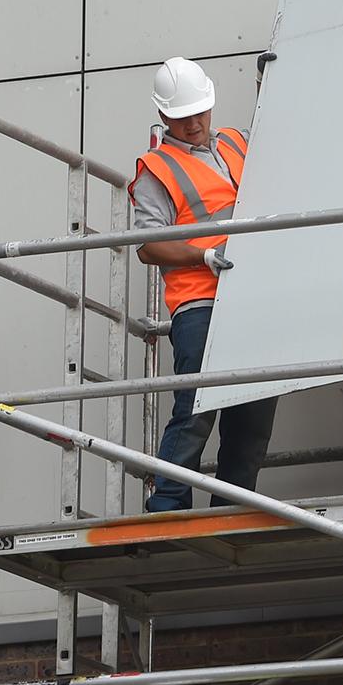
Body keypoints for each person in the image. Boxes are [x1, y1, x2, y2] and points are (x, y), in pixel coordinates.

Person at [131, 56, 278, 513]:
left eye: (200, 111)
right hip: (200, 302)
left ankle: (233, 508)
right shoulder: (157, 167)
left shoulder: (236, 142)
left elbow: (278, 149)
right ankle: (168, 506)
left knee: (253, 414)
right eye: (182, 116)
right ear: (163, 116)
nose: (194, 123)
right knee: (196, 410)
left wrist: (268, 87)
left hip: (251, 297)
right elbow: (146, 244)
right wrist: (202, 255)